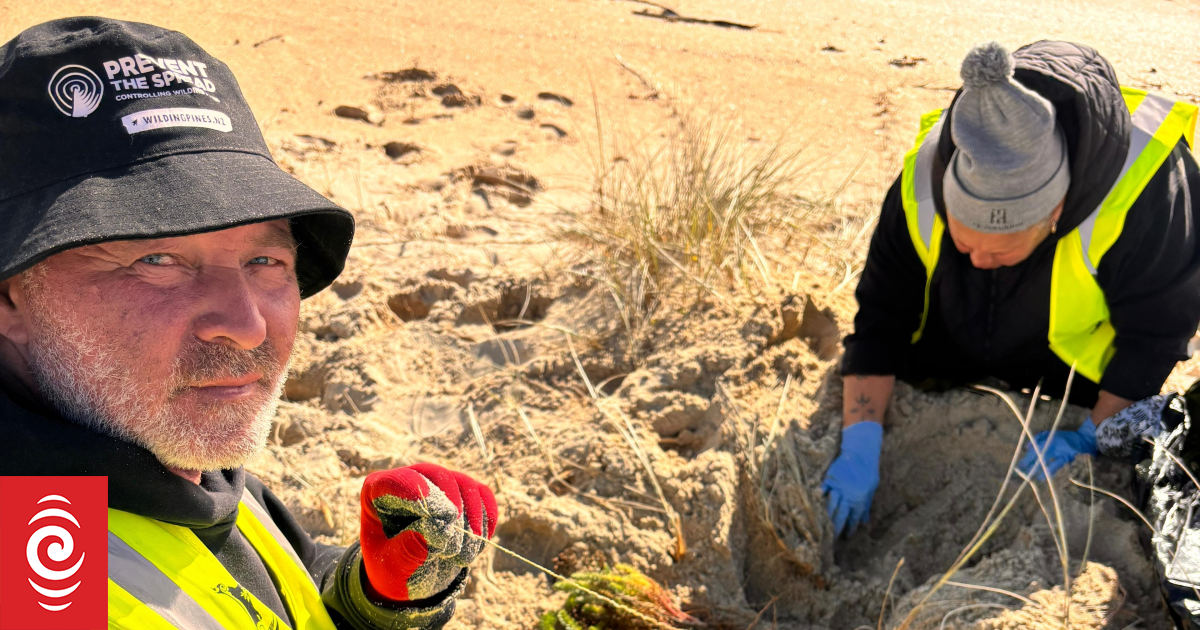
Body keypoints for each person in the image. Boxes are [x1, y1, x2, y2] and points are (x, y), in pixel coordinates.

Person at [0, 17, 495, 630]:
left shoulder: (151, 455)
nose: (246, 325)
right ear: (10, 298)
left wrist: (376, 597)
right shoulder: (41, 583)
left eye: (265, 260)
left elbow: (249, 596)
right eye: (157, 260)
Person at [822, 40, 1200, 537]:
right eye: (963, 242)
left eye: (998, 253)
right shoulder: (921, 183)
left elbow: (1156, 336)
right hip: (955, 347)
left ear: (1055, 216)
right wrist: (860, 446)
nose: (978, 261)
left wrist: (1089, 437)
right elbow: (881, 316)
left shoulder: (1151, 191)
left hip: (1075, 378)